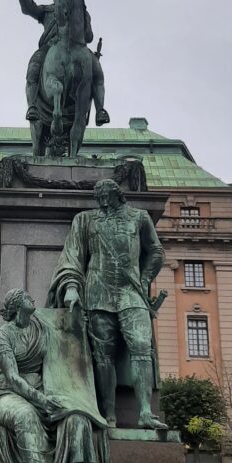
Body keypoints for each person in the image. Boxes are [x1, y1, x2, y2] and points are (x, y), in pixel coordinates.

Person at [0, 288, 109, 463]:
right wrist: (42, 401)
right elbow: (14, 379)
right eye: (28, 297)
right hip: (7, 395)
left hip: (44, 391)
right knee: (25, 416)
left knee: (76, 418)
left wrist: (78, 323)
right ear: (17, 306)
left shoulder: (41, 325)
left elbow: (66, 335)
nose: (33, 298)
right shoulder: (1, 337)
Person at [47, 178, 166, 430]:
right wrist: (71, 287)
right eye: (98, 197)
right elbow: (73, 256)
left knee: (142, 346)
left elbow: (156, 251)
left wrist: (144, 279)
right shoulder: (85, 220)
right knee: (103, 355)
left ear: (117, 195)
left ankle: (145, 412)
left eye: (105, 197)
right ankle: (108, 414)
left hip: (130, 292)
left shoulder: (140, 217)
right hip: (97, 292)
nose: (102, 202)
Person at [14, 0, 109, 126]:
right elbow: (29, 9)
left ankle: (100, 109)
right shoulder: (48, 11)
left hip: (78, 48)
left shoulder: (83, 14)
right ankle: (32, 107)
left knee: (98, 73)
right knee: (33, 69)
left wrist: (80, 22)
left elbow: (89, 36)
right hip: (49, 48)